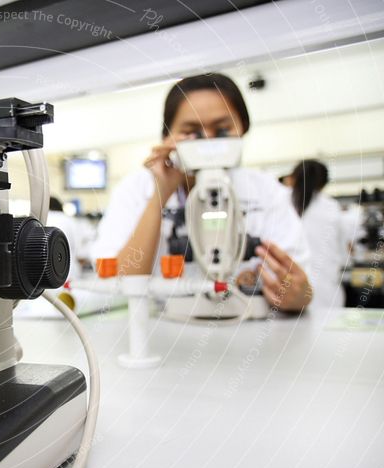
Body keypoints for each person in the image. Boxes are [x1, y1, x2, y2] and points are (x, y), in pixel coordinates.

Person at [90, 73, 312, 312]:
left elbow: (302, 288)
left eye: (223, 130)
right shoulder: (136, 190)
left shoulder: (268, 193)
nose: (207, 140)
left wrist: (299, 296)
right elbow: (120, 284)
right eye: (192, 131)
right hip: (163, 331)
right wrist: (159, 195)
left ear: (243, 129)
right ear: (168, 136)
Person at [289, 160, 354, 309]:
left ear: (294, 178)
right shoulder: (331, 208)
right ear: (324, 183)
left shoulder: (282, 204)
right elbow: (345, 256)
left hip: (288, 297)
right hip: (328, 297)